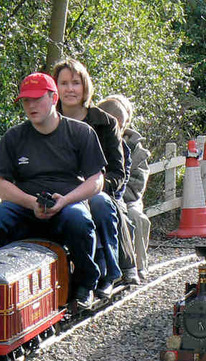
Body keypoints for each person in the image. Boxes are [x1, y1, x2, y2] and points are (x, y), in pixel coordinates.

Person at [0, 72, 106, 309]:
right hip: (25, 207)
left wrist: (65, 200)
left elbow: (96, 180)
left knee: (79, 219)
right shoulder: (14, 136)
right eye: (26, 101)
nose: (31, 106)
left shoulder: (80, 133)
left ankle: (85, 285)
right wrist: (30, 202)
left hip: (67, 205)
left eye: (37, 99)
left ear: (53, 98)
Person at [52, 59, 140, 294]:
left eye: (76, 83)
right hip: (58, 192)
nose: (70, 89)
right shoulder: (46, 122)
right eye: (64, 83)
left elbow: (117, 172)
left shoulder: (105, 123)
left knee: (99, 203)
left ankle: (108, 270)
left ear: (85, 87)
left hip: (98, 192)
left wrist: (92, 189)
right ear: (55, 88)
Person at [102, 94, 152, 283]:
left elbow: (137, 184)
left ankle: (138, 265)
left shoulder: (135, 149)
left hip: (128, 198)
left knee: (136, 218)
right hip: (108, 194)